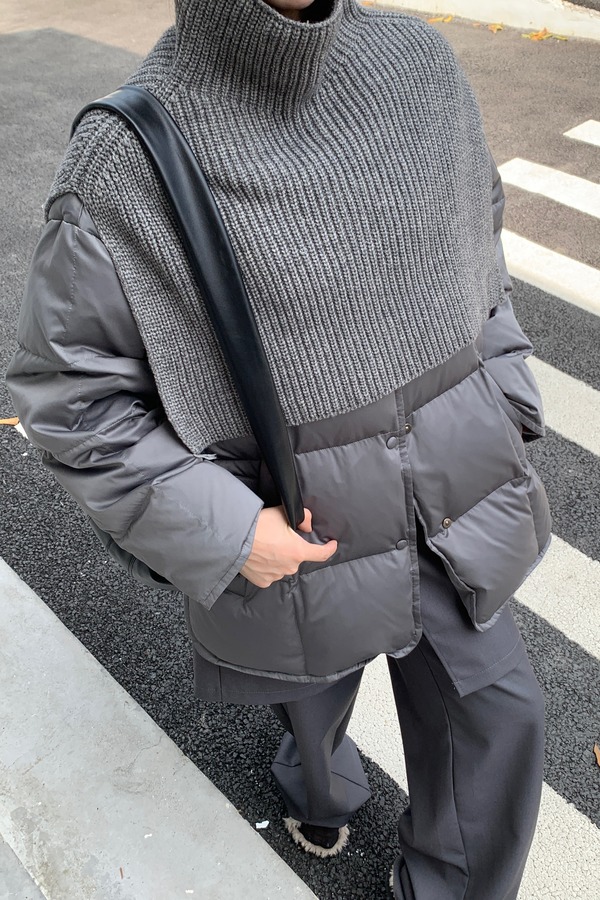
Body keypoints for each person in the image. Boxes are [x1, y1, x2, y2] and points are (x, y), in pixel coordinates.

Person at [7, 1, 552, 897]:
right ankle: (318, 787)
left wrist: (509, 397)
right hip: (298, 519)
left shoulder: (419, 65)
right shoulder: (127, 156)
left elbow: (479, 246)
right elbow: (73, 396)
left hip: (456, 489)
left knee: (500, 716)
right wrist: (228, 533)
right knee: (314, 702)